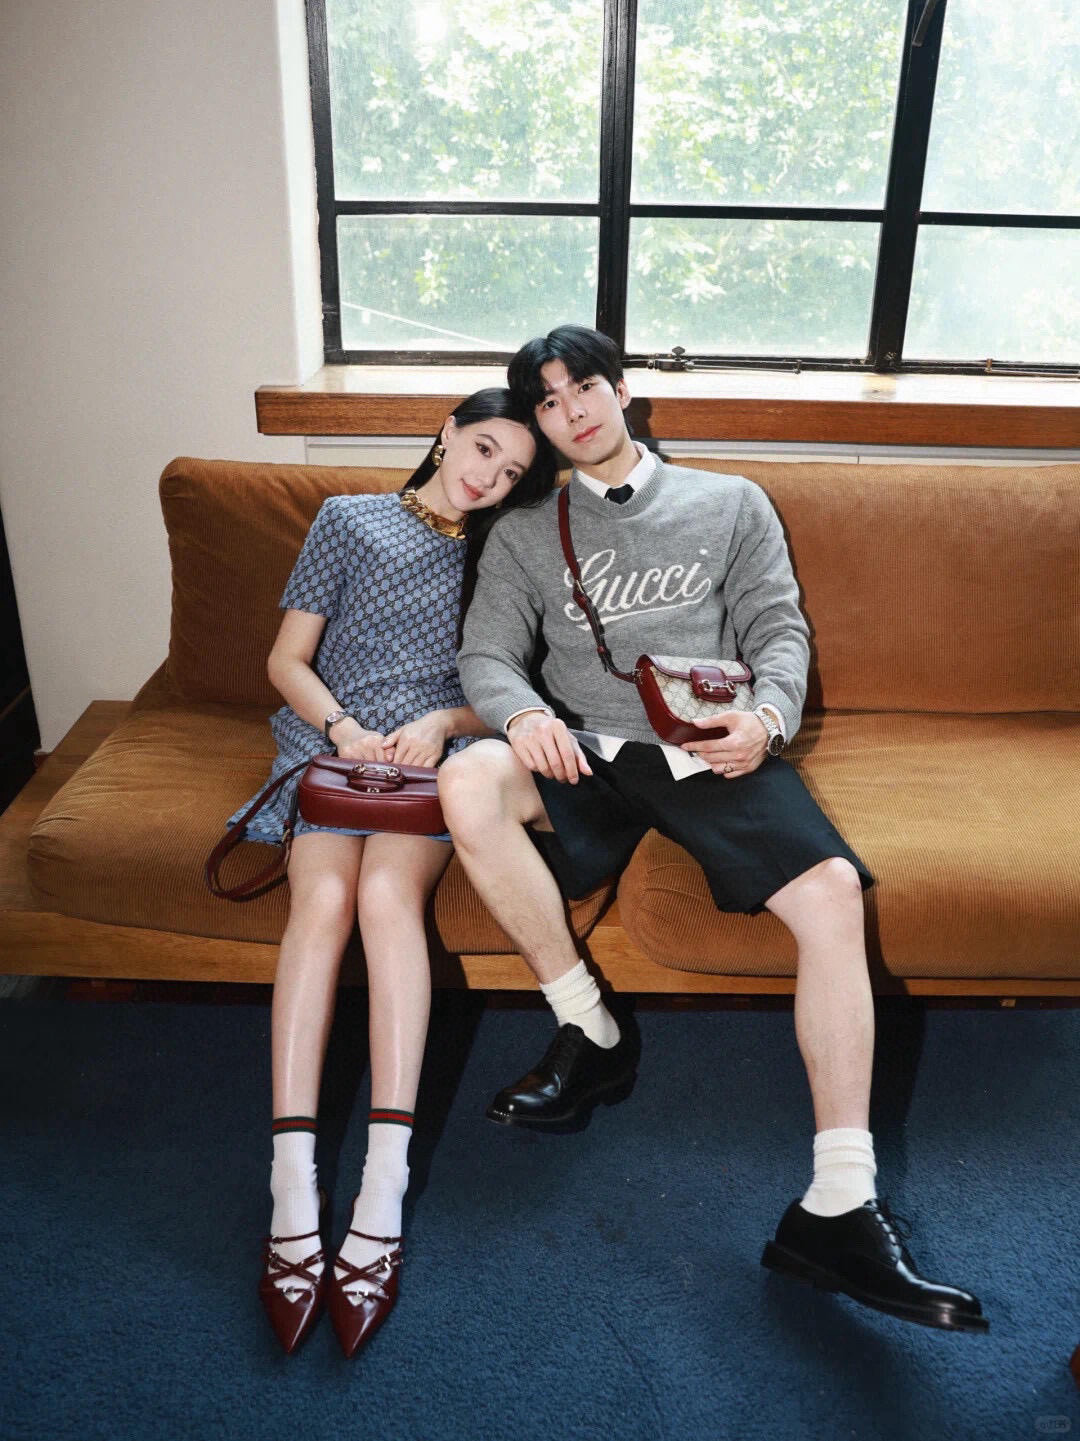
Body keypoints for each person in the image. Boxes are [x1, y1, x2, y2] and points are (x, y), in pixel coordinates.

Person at [439, 325, 987, 1334]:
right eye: (549, 402)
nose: (572, 410)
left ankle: (839, 1202)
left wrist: (766, 719)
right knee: (468, 778)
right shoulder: (524, 531)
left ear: (621, 389)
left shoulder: (731, 502)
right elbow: (487, 655)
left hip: (707, 749)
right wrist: (519, 716)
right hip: (585, 752)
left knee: (831, 893)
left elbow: (779, 629)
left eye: (583, 386)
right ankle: (587, 1025)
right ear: (541, 424)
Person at [232, 388, 556, 1355]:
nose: (489, 476)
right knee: (324, 898)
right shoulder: (348, 519)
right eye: (484, 448)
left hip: (431, 760)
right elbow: (287, 659)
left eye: (511, 472)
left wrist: (439, 723)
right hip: (331, 745)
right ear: (447, 432)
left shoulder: (504, 555)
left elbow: (506, 692)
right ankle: (291, 1186)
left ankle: (383, 1185)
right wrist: (342, 727)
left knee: (384, 897)